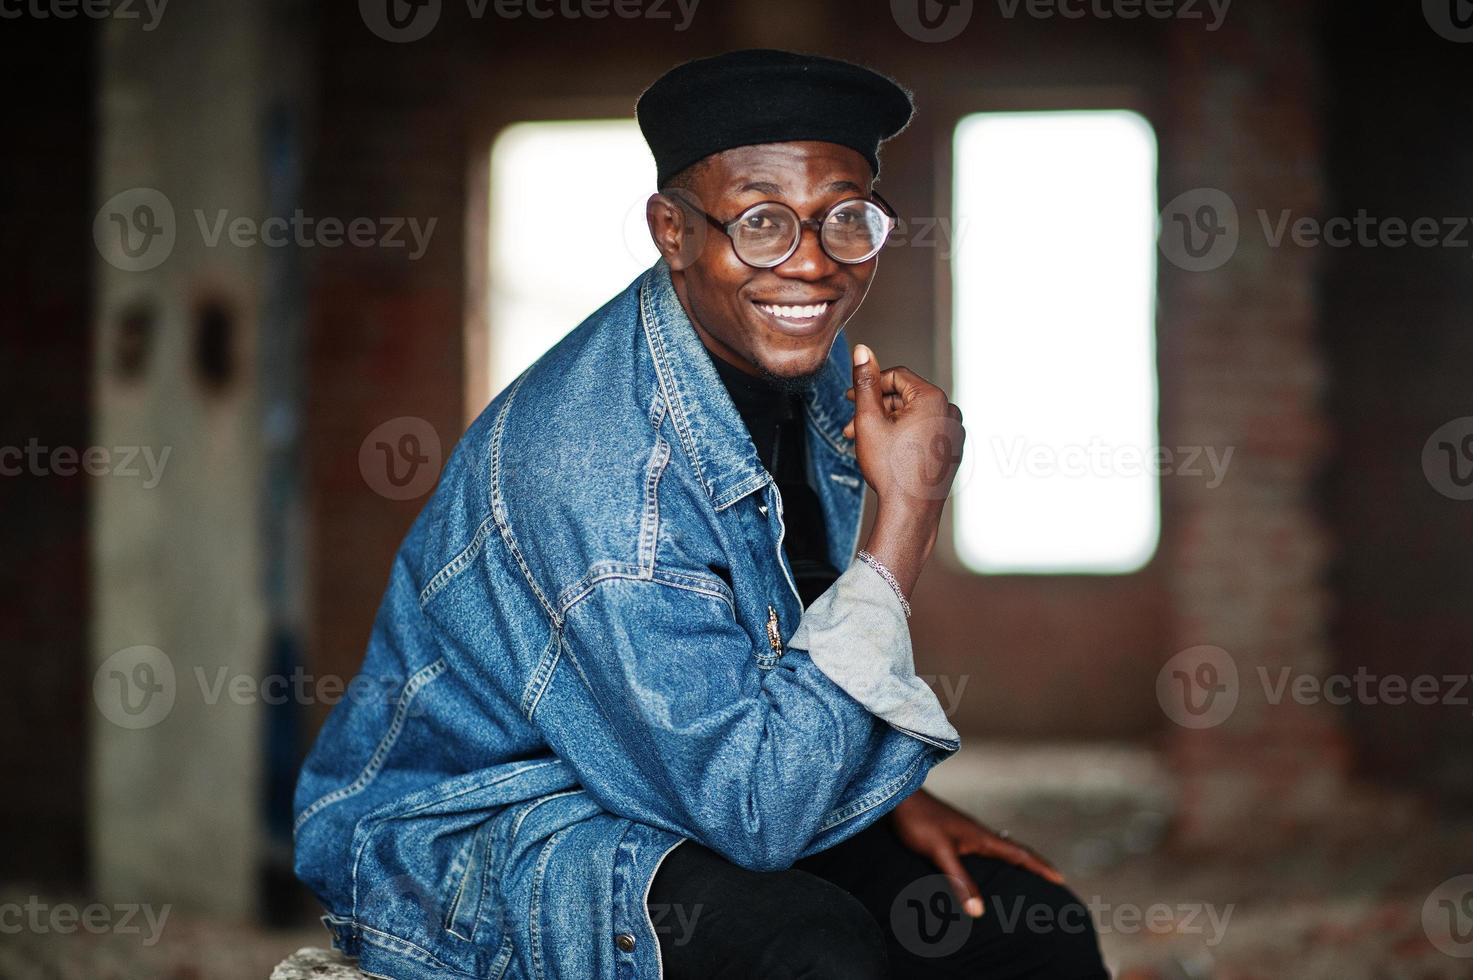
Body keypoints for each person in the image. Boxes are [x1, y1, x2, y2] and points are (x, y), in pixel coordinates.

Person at [293, 48, 1108, 980]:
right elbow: (756, 815)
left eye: (847, 219)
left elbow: (769, 655)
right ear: (671, 231)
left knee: (1025, 928)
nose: (811, 262)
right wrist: (907, 515)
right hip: (491, 826)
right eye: (759, 223)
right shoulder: (598, 468)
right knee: (806, 953)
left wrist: (881, 799)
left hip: (684, 768)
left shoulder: (797, 384)